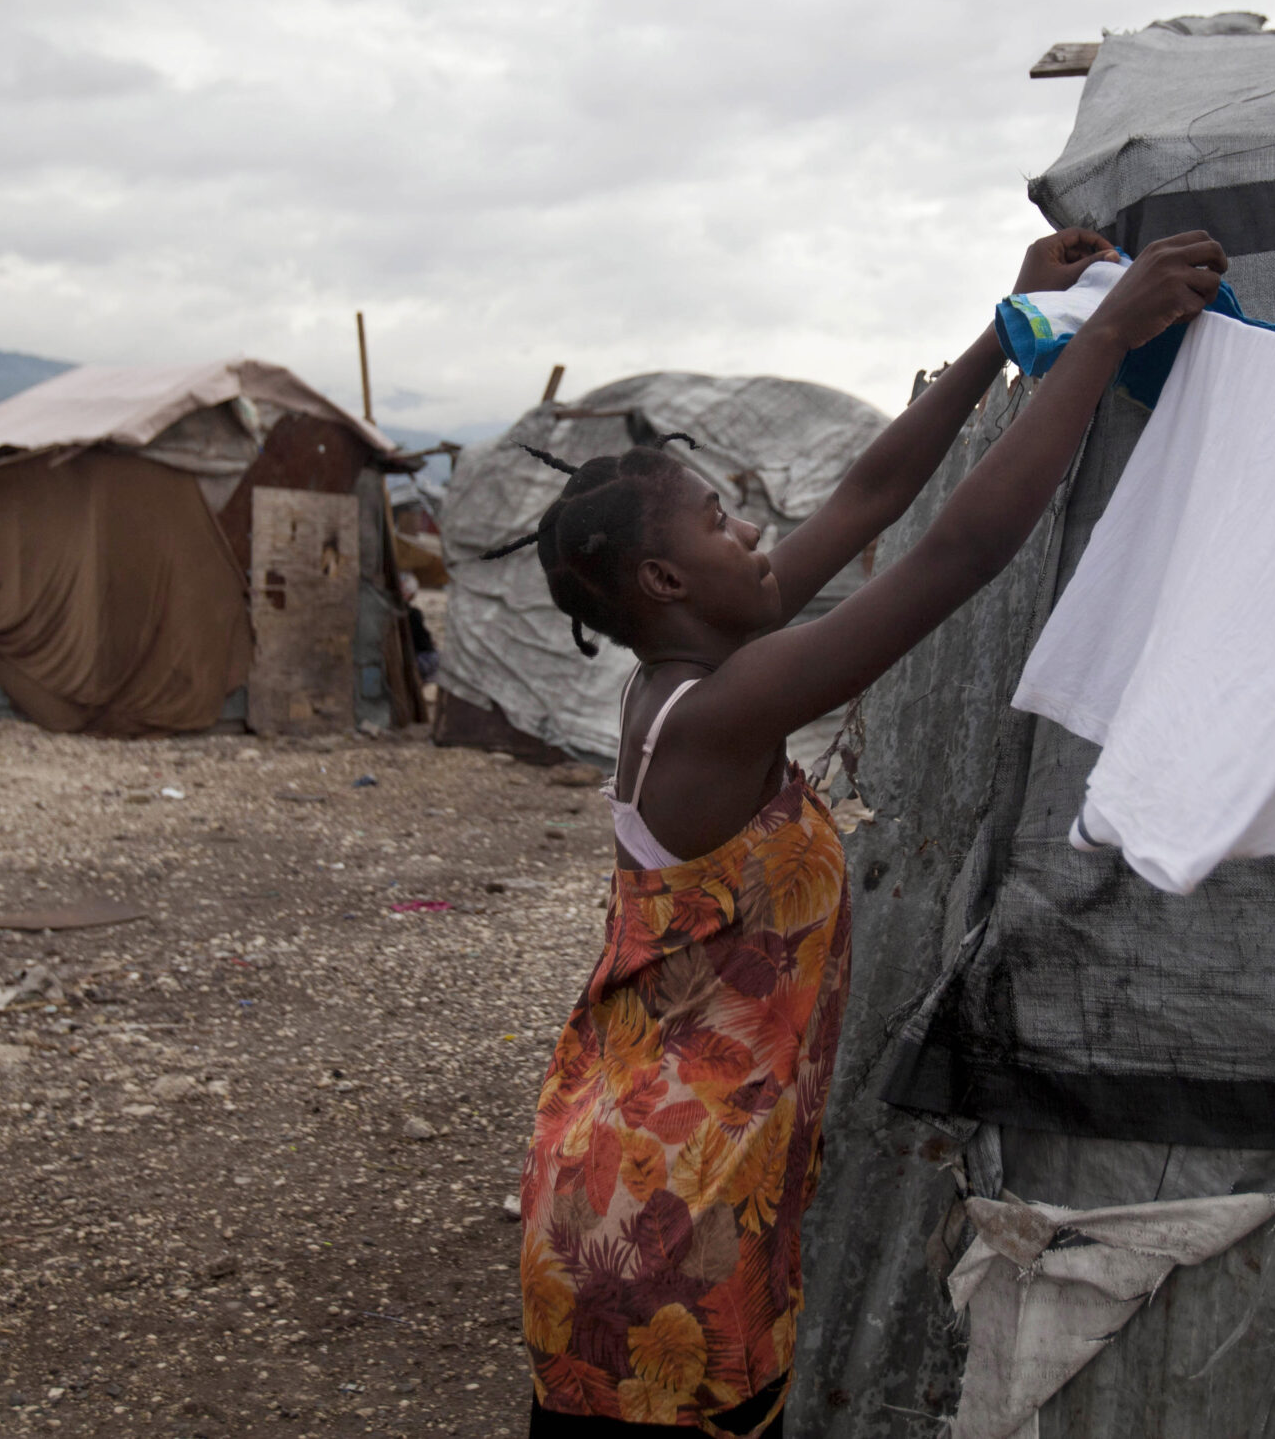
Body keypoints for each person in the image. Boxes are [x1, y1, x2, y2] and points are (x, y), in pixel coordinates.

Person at [499, 227, 1229, 1435]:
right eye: (723, 525)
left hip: (626, 1172)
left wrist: (1005, 332)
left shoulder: (676, 693)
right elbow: (954, 553)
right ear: (667, 586)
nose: (752, 537)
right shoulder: (720, 717)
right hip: (667, 1217)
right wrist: (1102, 337)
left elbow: (874, 497)